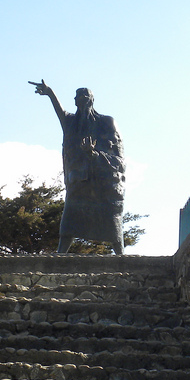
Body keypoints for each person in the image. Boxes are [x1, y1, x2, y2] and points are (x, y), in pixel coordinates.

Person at [31, 80, 125, 254]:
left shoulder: (106, 122)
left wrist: (94, 154)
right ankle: (61, 253)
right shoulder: (71, 123)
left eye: (84, 97)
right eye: (77, 97)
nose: (79, 100)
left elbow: (117, 155)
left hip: (103, 183)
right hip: (78, 181)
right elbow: (60, 112)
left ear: (91, 100)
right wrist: (50, 93)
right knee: (70, 218)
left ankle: (121, 256)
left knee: (111, 220)